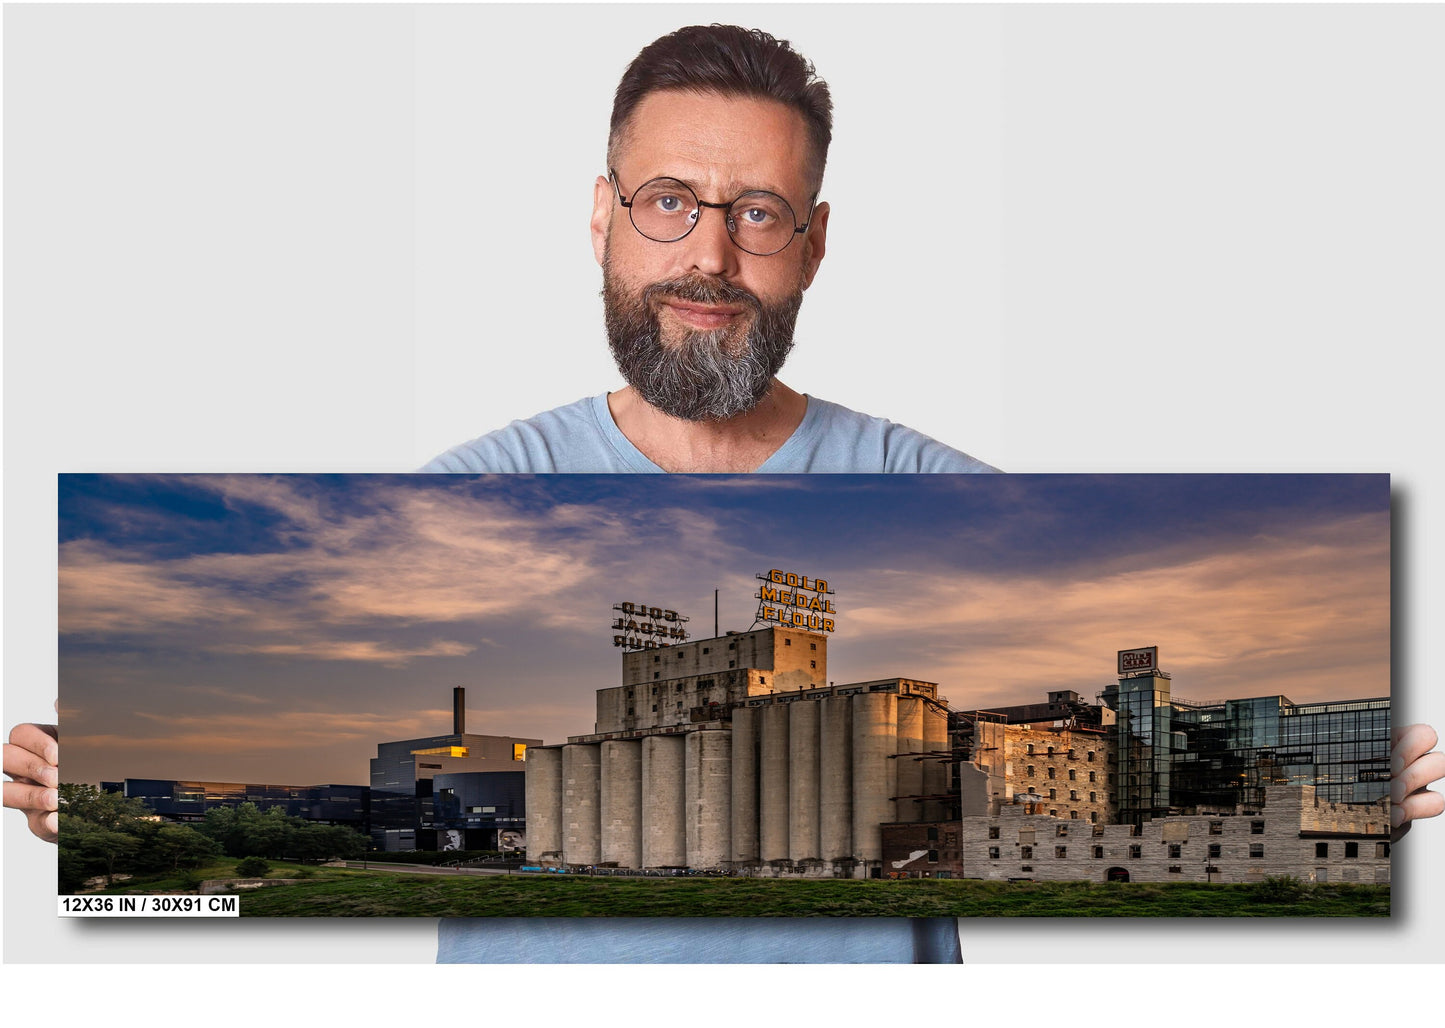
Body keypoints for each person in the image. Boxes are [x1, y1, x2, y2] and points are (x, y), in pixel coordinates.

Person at [8, 23, 1443, 964]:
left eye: (755, 212)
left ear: (810, 243)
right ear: (601, 214)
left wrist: (1400, 794)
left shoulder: (933, 487)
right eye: (668, 201)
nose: (709, 253)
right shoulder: (458, 488)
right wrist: (80, 782)